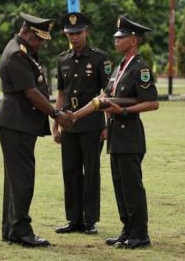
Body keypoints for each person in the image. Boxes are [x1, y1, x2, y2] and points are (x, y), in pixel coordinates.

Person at [0, 12, 73, 247]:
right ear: (26, 32)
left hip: (17, 122)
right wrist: (56, 114)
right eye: (38, 39)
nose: (40, 44)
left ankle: (11, 229)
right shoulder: (18, 54)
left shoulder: (21, 49)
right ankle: (21, 231)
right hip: (16, 123)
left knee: (15, 178)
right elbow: (31, 92)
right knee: (23, 179)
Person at [101, 15, 159, 249]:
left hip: (130, 134)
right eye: (116, 37)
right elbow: (108, 95)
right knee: (119, 184)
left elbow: (152, 103)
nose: (117, 41)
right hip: (115, 135)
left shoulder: (140, 68)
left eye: (121, 37)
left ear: (133, 40)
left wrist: (123, 111)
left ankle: (140, 234)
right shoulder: (119, 67)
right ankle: (127, 228)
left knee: (132, 186)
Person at [52, 12, 112, 235]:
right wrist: (56, 123)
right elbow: (60, 92)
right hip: (68, 124)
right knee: (70, 171)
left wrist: (107, 125)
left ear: (86, 32)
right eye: (70, 34)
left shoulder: (99, 58)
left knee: (91, 171)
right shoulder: (62, 59)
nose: (74, 37)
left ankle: (90, 220)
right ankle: (73, 219)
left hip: (92, 124)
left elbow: (107, 94)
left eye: (77, 33)